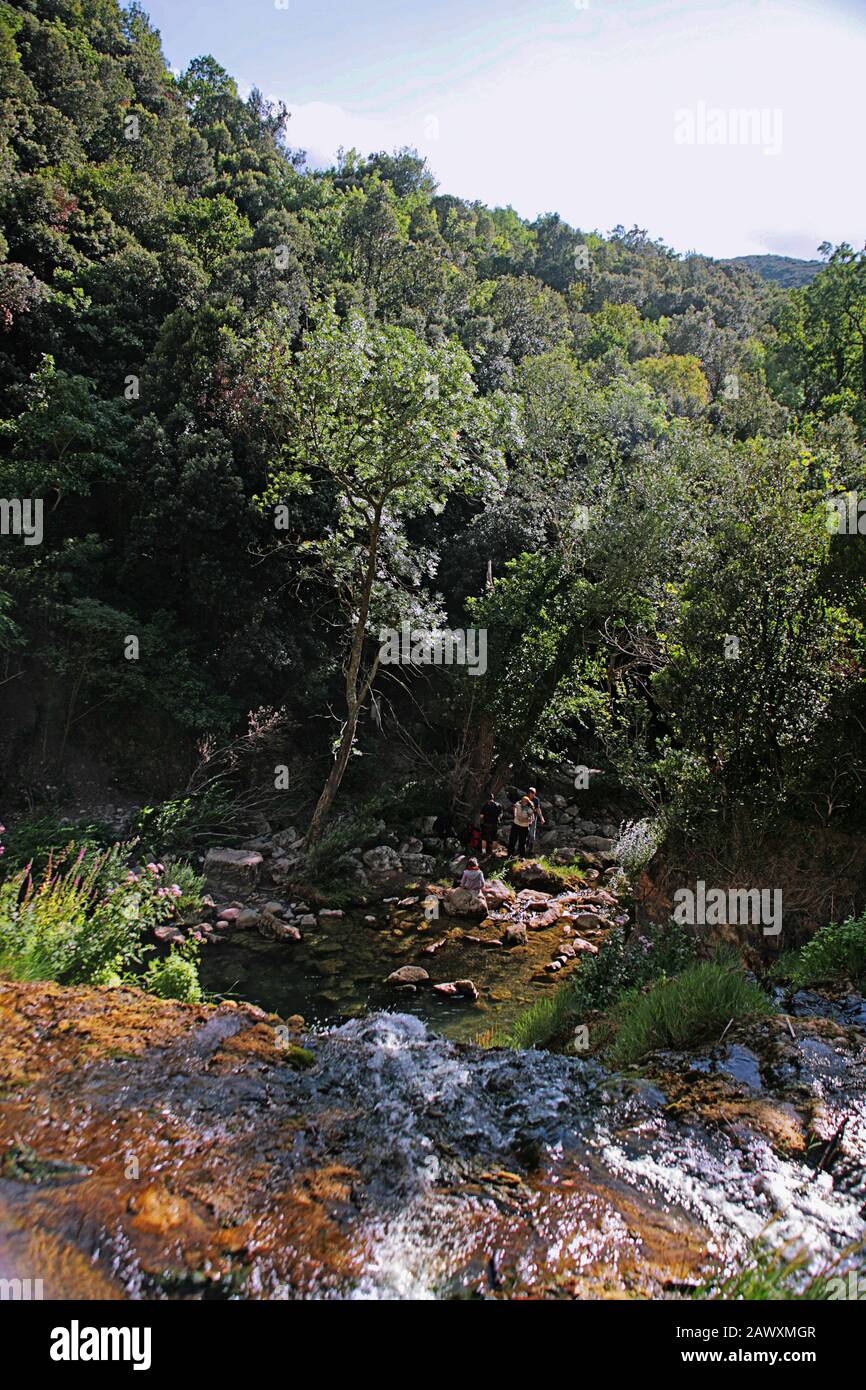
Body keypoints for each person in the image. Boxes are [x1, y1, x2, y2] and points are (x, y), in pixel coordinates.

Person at [525, 786, 545, 853]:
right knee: (525, 832)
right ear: (529, 793)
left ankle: (531, 849)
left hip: (534, 817)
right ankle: (524, 847)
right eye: (531, 792)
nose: (533, 794)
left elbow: (538, 809)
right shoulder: (525, 798)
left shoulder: (536, 800)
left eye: (534, 793)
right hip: (525, 817)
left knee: (532, 832)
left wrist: (541, 817)